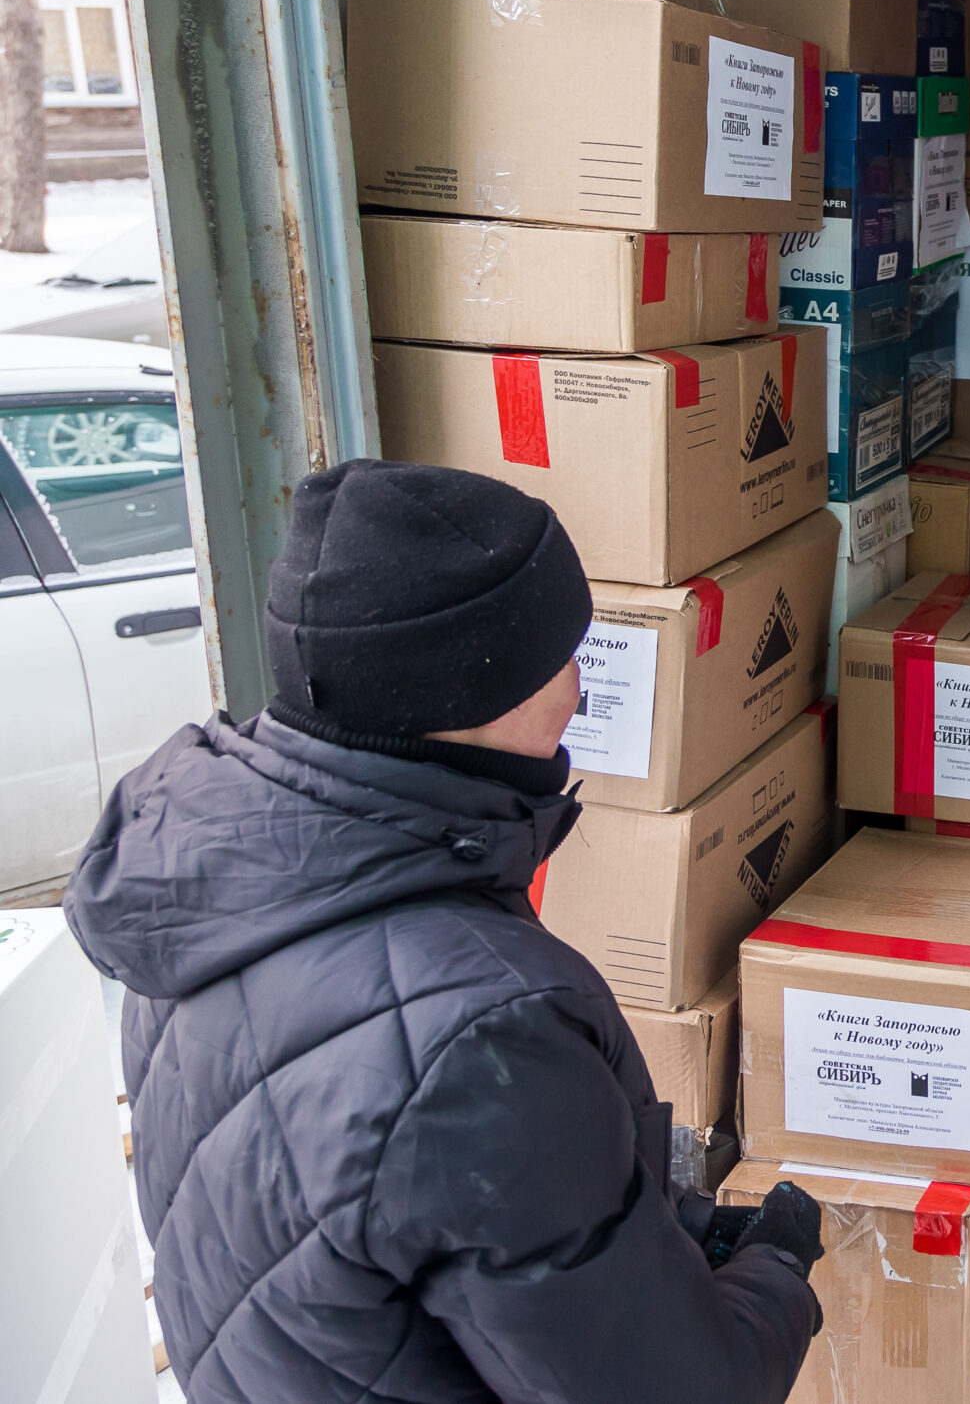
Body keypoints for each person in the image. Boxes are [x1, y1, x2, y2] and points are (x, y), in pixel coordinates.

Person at [64, 460, 823, 1403]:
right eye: (561, 655)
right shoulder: (484, 1033)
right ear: (478, 695)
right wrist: (776, 1275)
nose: (581, 689)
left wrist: (653, 1232)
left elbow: (387, 1218)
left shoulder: (200, 885)